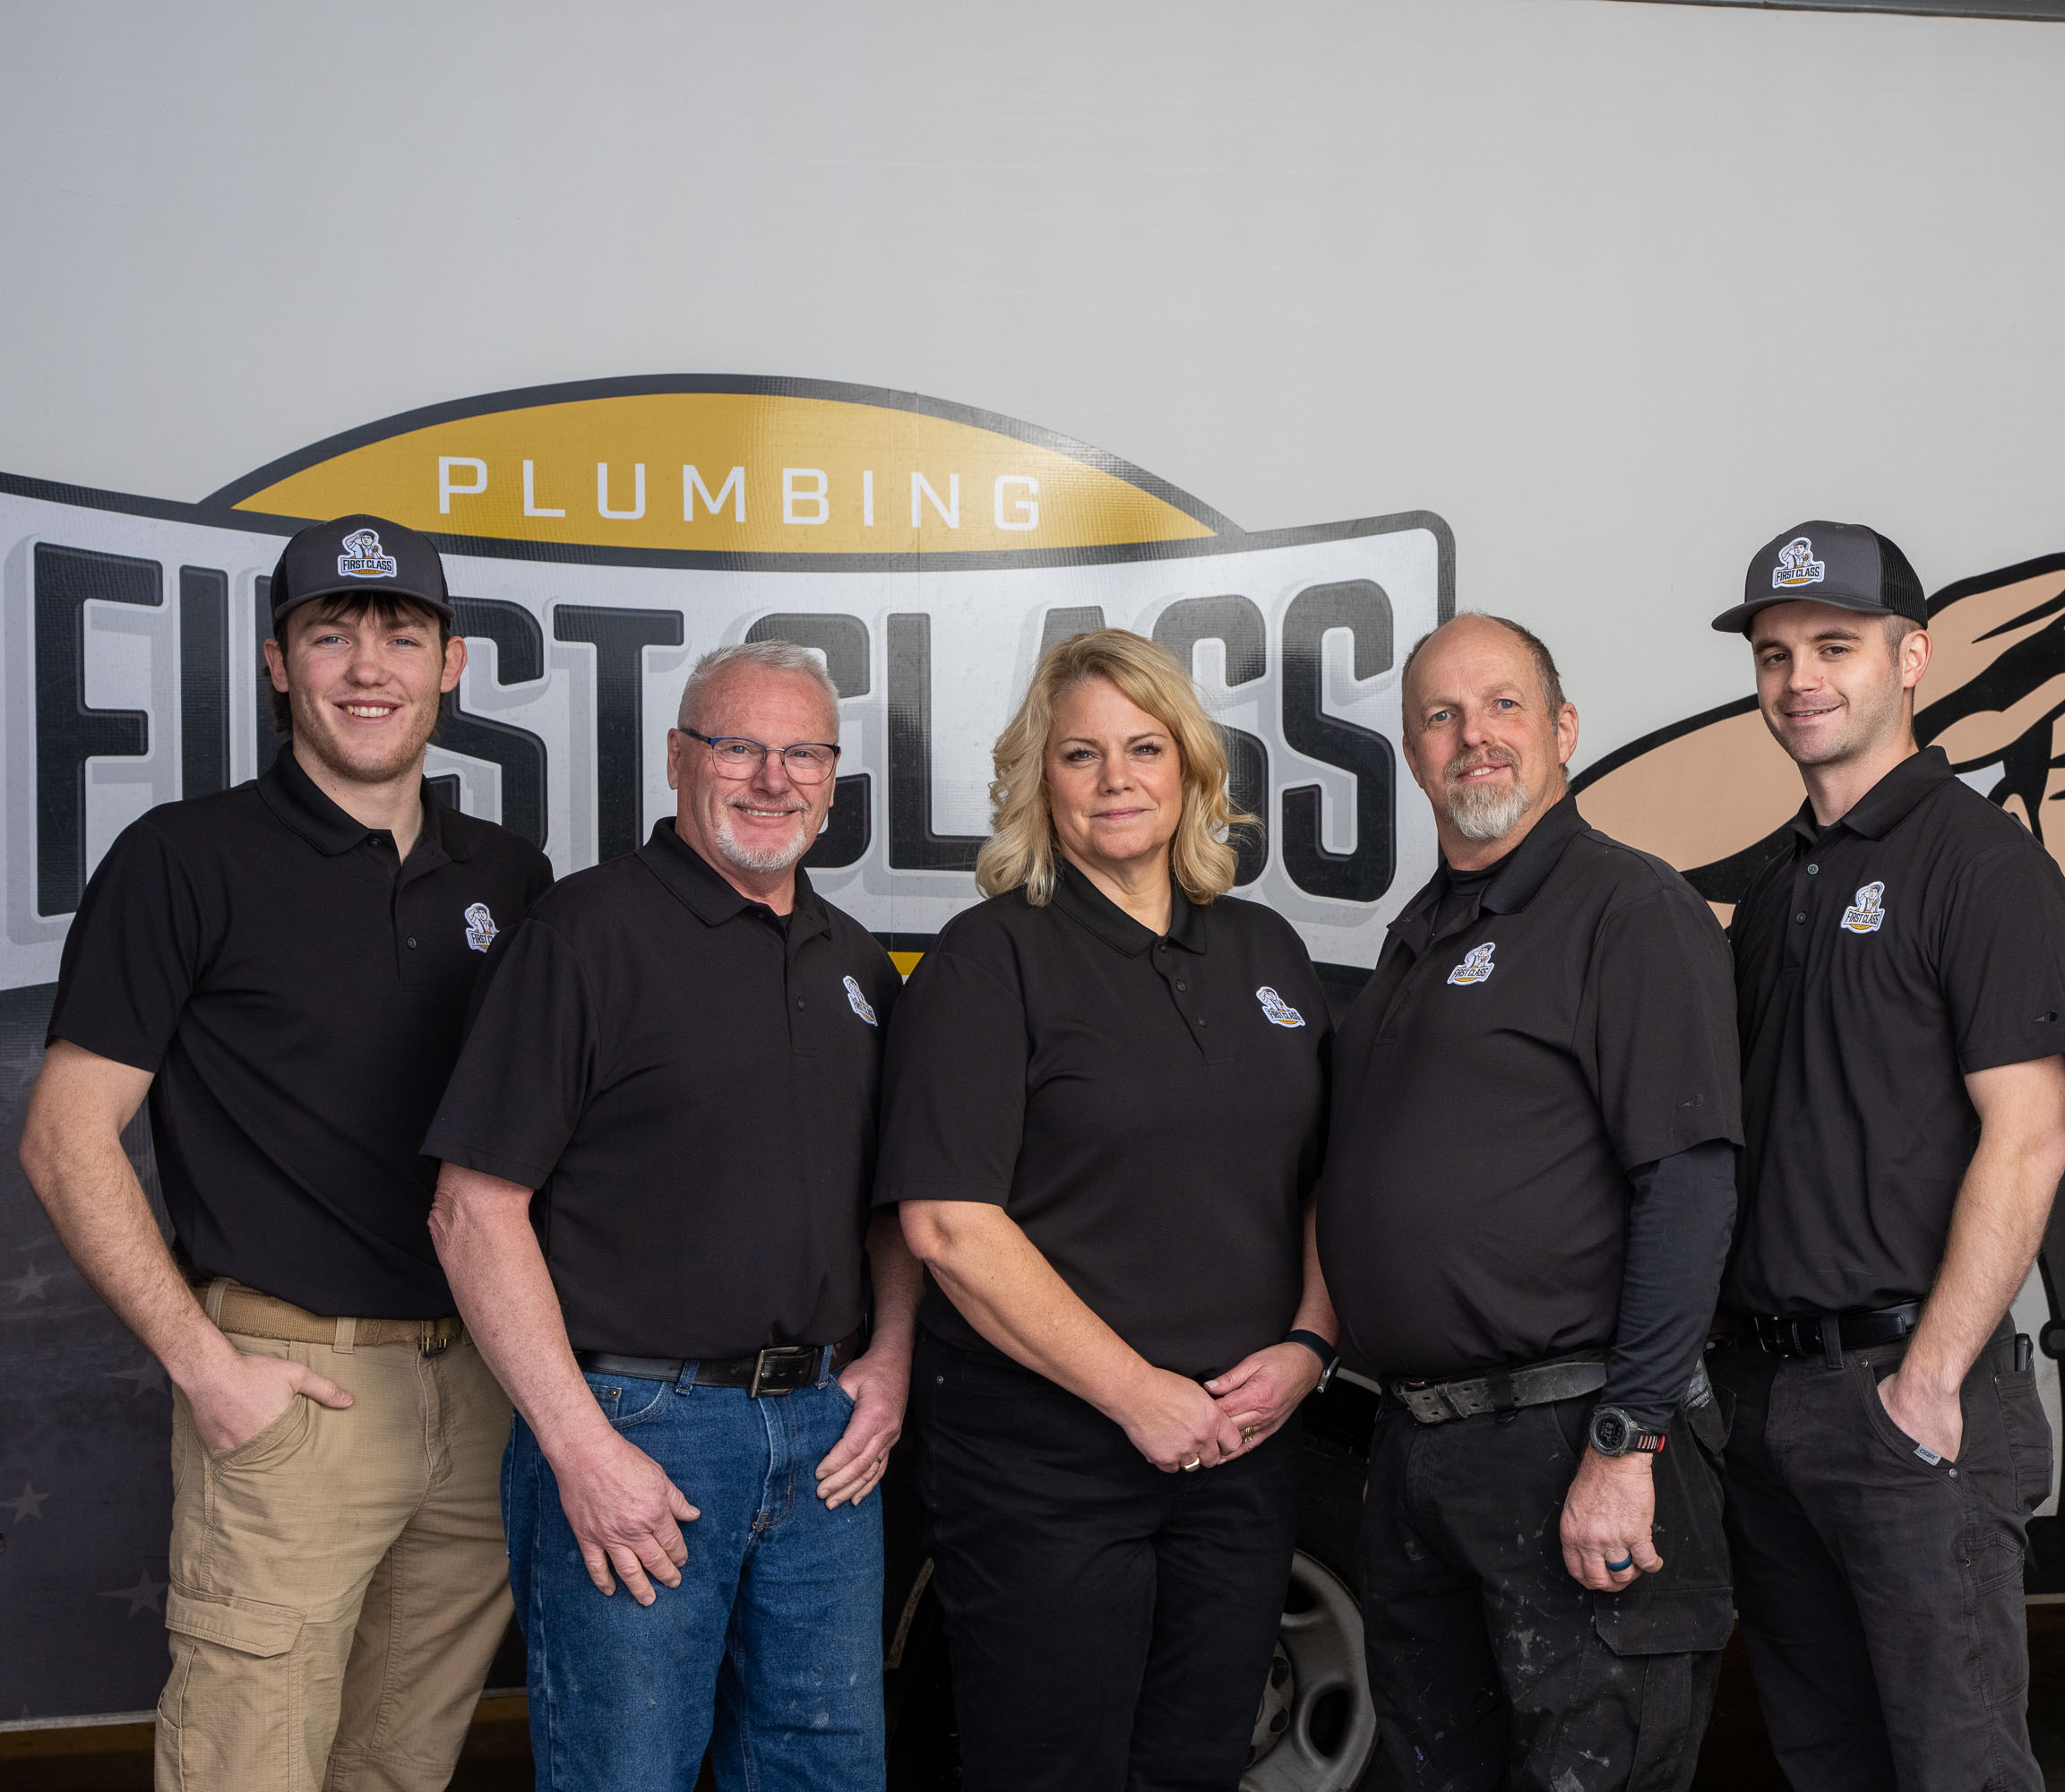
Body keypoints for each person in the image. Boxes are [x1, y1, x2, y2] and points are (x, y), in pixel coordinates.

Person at [16, 514, 551, 1792]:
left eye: (401, 636)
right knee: (245, 1765)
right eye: (330, 634)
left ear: (451, 665)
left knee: (400, 1766)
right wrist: (207, 1366)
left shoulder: (512, 875)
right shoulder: (184, 860)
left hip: (483, 1387)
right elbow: (64, 1136)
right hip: (294, 1390)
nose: (368, 667)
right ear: (277, 663)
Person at [422, 641, 913, 1792]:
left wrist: (890, 1358)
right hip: (639, 1427)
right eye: (739, 745)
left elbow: (895, 1204)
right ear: (678, 757)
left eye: (804, 753)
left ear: (832, 778)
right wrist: (579, 1444)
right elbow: (471, 1209)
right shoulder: (584, 934)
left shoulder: (855, 963)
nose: (772, 778)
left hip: (826, 1438)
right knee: (625, 1771)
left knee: (826, 1771)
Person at [882, 628, 1338, 1792]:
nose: (1116, 778)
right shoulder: (989, 961)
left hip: (1240, 1450)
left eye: (1144, 747)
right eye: (1081, 754)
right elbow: (948, 1226)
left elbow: (1328, 1180)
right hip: (1047, 1464)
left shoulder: (1266, 948)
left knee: (1195, 1764)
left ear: (1190, 765)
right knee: (1054, 1769)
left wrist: (1309, 1345)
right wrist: (1137, 1394)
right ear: (1042, 779)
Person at [1318, 613, 1742, 1792]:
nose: (1475, 736)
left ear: (1563, 728)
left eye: (1504, 705)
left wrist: (1627, 1442)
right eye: (1442, 716)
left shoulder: (1628, 910)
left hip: (1575, 1435)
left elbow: (1689, 1187)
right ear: (1414, 755)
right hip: (1426, 1448)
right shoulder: (1418, 933)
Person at [1706, 521, 2065, 1792]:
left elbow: (2027, 1140)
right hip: (1769, 1400)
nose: (1799, 678)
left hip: (1906, 1391)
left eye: (1835, 646)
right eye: (1774, 654)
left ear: (1912, 658)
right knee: (1828, 1761)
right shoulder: (1775, 887)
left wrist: (1929, 1383)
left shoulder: (1983, 865)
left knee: (1955, 1765)